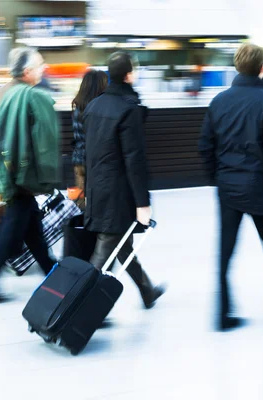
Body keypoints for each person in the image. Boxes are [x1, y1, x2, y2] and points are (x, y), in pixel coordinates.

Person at [199, 43, 263, 331]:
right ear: (262, 68)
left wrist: (217, 178)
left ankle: (222, 315)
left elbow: (204, 146)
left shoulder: (218, 101)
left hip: (228, 189)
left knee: (225, 252)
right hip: (261, 189)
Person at [83, 51, 165, 309]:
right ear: (129, 75)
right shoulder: (128, 109)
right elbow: (134, 159)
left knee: (122, 246)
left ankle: (147, 291)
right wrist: (143, 203)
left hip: (98, 188)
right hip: (118, 193)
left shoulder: (94, 105)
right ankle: (76, 307)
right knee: (103, 252)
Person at [0, 47, 59, 305]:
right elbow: (35, 142)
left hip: (7, 175)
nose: (44, 68)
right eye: (39, 65)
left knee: (31, 230)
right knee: (12, 228)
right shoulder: (27, 96)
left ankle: (53, 273)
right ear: (26, 71)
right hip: (19, 177)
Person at [71, 69, 108, 209]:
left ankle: (82, 228)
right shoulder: (102, 109)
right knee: (98, 203)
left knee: (82, 203)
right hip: (95, 161)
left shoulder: (78, 107)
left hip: (79, 160)